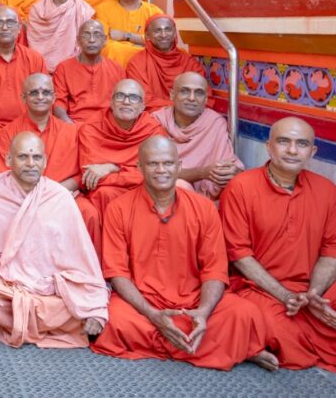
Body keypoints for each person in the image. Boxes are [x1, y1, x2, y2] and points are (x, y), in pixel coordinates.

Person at [220, 117, 336, 374]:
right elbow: (240, 255)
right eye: (284, 142)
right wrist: (286, 296)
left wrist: (313, 295)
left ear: (313, 151)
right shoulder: (241, 187)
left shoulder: (327, 190)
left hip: (314, 291)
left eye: (302, 144)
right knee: (278, 331)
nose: (292, 150)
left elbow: (333, 251)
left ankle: (259, 340)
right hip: (260, 290)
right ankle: (261, 340)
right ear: (269, 146)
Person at [91, 136, 274, 370]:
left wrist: (203, 313)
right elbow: (117, 273)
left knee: (244, 313)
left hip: (193, 301)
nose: (161, 170)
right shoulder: (119, 208)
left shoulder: (204, 208)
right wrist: (153, 314)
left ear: (178, 167)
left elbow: (215, 269)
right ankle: (222, 346)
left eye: (167, 163)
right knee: (114, 318)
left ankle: (187, 337)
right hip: (144, 304)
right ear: (139, 168)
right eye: (152, 164)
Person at [0, 132, 109, 349]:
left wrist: (94, 306)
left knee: (79, 303)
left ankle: (20, 320)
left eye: (36, 157)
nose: (30, 164)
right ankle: (47, 322)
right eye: (23, 157)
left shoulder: (59, 197)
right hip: (6, 283)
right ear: (9, 160)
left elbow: (83, 262)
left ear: (45, 161)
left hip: (49, 285)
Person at [0, 73, 100, 251]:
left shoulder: (71, 132)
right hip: (22, 197)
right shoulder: (8, 132)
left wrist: (54, 193)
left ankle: (87, 272)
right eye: (34, 92)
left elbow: (82, 174)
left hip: (64, 194)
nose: (40, 97)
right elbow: (5, 174)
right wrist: (36, 198)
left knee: (89, 213)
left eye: (46, 92)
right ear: (23, 97)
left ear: (54, 97)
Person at [77, 79, 167, 220]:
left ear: (143, 106)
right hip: (107, 192)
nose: (126, 101)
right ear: (111, 102)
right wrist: (132, 173)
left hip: (144, 189)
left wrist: (113, 168)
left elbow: (156, 173)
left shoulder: (152, 130)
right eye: (120, 96)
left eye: (133, 98)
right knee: (104, 193)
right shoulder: (91, 128)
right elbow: (92, 178)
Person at [153, 72, 240, 199]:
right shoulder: (156, 121)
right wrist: (202, 173)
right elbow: (155, 172)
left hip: (206, 196)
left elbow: (229, 163)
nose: (192, 98)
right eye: (184, 91)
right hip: (164, 194)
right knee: (179, 186)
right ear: (172, 95)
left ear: (205, 99)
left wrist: (230, 172)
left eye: (199, 93)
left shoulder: (214, 122)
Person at [52, 19, 126, 124]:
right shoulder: (63, 68)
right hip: (75, 123)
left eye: (96, 35)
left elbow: (122, 102)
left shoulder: (117, 68)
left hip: (109, 124)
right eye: (86, 35)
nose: (91, 40)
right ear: (78, 41)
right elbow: (59, 103)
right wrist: (69, 125)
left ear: (105, 40)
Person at [126, 15, 206, 110]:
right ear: (147, 35)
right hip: (155, 115)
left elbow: (203, 93)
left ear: (174, 33)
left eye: (168, 29)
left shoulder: (188, 61)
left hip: (188, 113)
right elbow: (142, 98)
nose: (163, 35)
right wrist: (176, 109)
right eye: (157, 31)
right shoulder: (137, 63)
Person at [26, 0, 94, 70]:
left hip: (75, 66)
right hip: (43, 68)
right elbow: (35, 43)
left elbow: (86, 41)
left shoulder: (82, 8)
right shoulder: (37, 10)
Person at [94, 0, 163, 67]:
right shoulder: (104, 9)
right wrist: (141, 42)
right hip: (116, 60)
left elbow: (160, 40)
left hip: (146, 63)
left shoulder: (154, 12)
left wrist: (126, 36)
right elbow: (103, 41)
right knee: (112, 48)